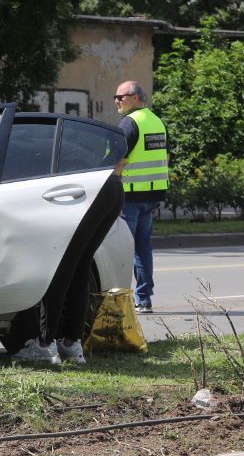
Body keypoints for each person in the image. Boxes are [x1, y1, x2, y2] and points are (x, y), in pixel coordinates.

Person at [13, 165, 126, 366]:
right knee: (79, 267)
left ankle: (44, 345)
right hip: (110, 184)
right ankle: (71, 343)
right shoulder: (76, 136)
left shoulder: (39, 136)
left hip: (82, 189)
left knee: (59, 269)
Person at [114, 80, 168, 314]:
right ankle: (144, 299)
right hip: (152, 194)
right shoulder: (156, 121)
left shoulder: (130, 123)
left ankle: (121, 302)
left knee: (123, 248)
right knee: (143, 247)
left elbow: (118, 159)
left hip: (131, 194)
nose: (117, 101)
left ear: (135, 97)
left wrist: (109, 185)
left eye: (121, 97)